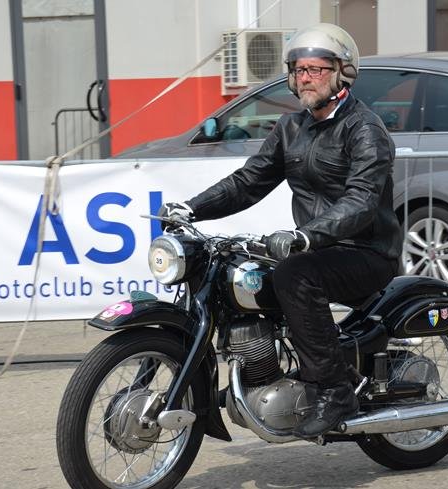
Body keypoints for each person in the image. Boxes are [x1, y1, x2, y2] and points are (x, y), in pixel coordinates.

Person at [159, 23, 402, 439]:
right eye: (299, 69)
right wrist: (191, 209)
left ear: (342, 73)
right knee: (240, 276)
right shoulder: (291, 128)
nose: (305, 78)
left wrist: (307, 236)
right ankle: (262, 374)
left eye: (316, 69)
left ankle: (335, 390)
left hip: (365, 251)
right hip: (316, 249)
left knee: (295, 274)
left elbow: (361, 201)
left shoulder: (364, 129)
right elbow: (248, 182)